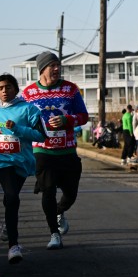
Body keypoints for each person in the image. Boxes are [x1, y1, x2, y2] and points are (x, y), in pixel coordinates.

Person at [0, 74, 45, 264]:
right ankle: (13, 246)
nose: (5, 91)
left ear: (16, 89)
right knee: (12, 196)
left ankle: (7, 221)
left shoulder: (29, 109)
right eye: (1, 88)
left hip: (22, 162)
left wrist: (18, 129)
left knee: (10, 197)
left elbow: (41, 135)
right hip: (1, 161)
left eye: (8, 87)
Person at [21, 51, 90, 250]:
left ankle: (59, 211)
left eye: (58, 65)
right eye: (52, 65)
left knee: (71, 194)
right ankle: (54, 233)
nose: (57, 69)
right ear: (42, 69)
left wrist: (67, 120)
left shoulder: (70, 89)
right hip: (42, 152)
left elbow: (83, 116)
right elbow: (21, 119)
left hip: (67, 151)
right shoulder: (28, 93)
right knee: (48, 191)